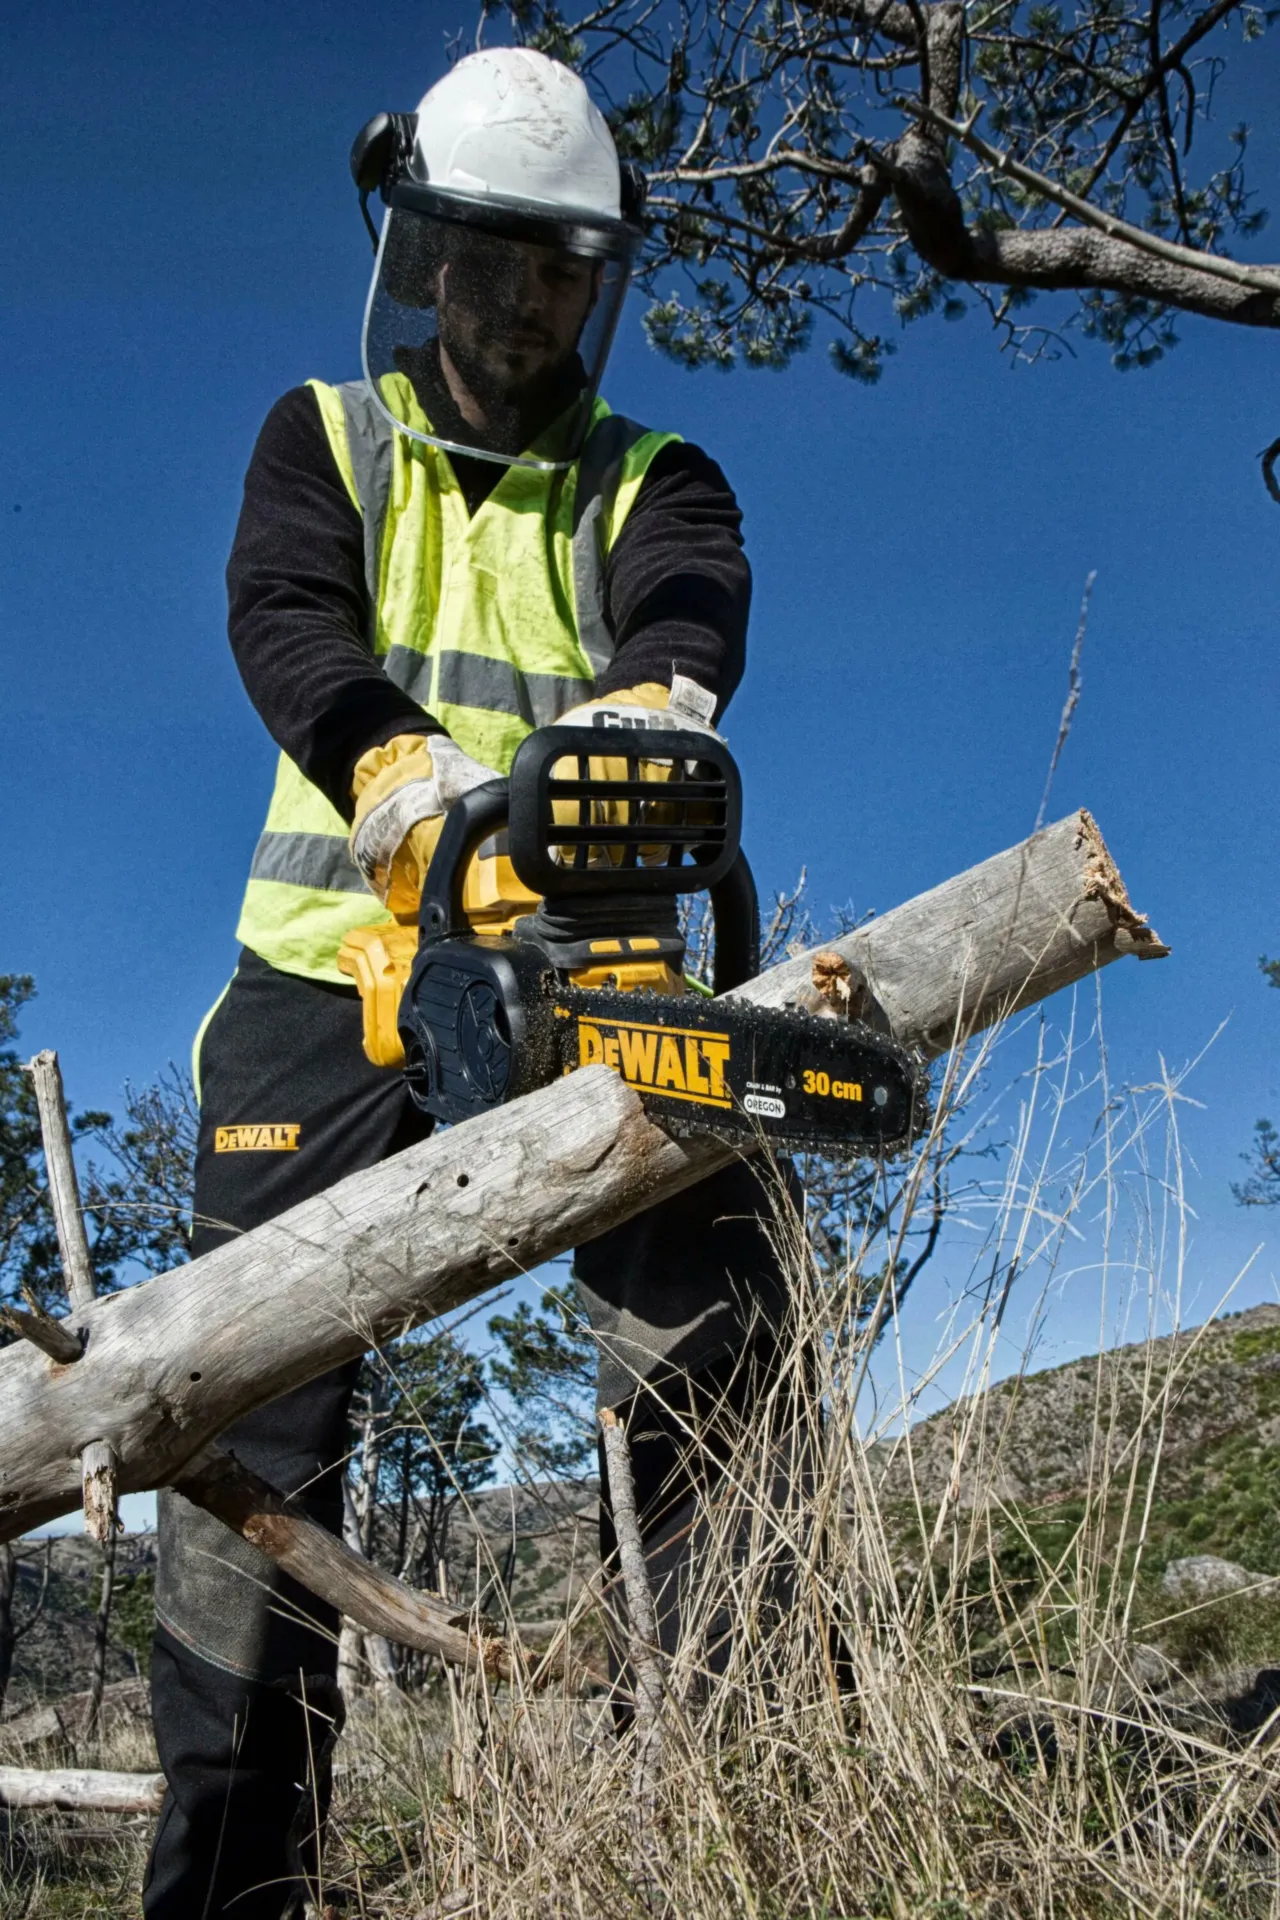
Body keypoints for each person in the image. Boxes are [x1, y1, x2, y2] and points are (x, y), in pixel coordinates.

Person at [143, 46, 793, 1920]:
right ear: (423, 248)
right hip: (324, 976)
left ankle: (738, 1795)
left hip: (590, 968)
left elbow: (690, 597)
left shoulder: (651, 474)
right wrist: (405, 780)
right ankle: (233, 1867)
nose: (523, 301)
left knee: (717, 1351)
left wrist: (655, 713)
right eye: (489, 257)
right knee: (232, 1417)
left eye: (560, 265)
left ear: (603, 271)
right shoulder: (323, 436)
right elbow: (287, 616)